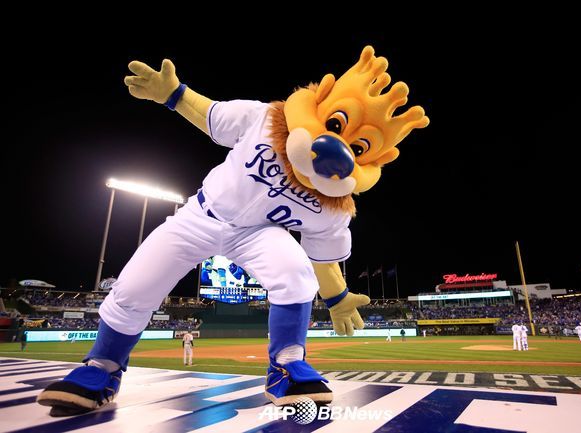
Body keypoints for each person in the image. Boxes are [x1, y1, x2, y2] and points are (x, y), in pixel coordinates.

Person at [36, 46, 429, 416]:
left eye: (358, 147)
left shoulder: (332, 205)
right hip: (201, 215)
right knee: (137, 282)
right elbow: (211, 115)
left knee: (294, 271)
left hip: (259, 232)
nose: (338, 146)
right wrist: (174, 94)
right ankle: (103, 366)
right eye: (336, 124)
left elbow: (322, 258)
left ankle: (287, 366)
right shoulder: (265, 118)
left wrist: (338, 298)